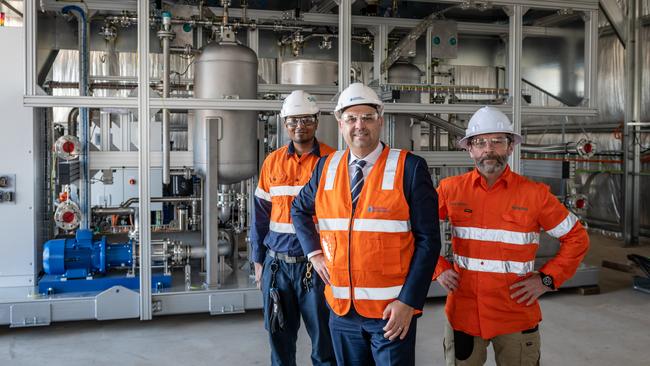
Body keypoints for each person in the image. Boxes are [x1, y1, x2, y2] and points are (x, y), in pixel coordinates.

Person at [291, 83, 440, 366]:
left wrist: (409, 302)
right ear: (340, 123)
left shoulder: (410, 168)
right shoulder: (325, 167)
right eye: (351, 118)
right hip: (341, 311)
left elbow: (429, 241)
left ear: (380, 120)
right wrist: (314, 253)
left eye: (367, 117)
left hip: (390, 312)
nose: (359, 125)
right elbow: (298, 209)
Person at [433, 106, 590, 365]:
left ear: (510, 148)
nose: (489, 149)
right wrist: (438, 268)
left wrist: (547, 280)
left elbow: (577, 237)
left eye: (497, 141)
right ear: (469, 149)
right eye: (480, 142)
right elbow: (416, 231)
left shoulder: (535, 194)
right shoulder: (450, 190)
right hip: (464, 313)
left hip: (515, 315)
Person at [250, 90, 336, 366]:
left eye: (306, 119)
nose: (300, 126)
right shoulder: (272, 162)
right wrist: (258, 260)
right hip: (278, 268)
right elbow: (260, 217)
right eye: (293, 120)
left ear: (317, 121)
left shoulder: (333, 162)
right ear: (285, 123)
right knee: (280, 343)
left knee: (325, 344)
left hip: (318, 267)